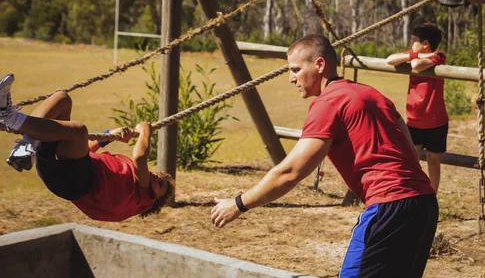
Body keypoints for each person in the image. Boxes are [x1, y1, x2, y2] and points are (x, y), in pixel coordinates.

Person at [211, 34, 438, 278]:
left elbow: (291, 172)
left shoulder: (329, 103)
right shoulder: (373, 95)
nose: (291, 78)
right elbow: (408, 145)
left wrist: (238, 204)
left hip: (388, 207)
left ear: (319, 65)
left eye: (296, 69)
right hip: (424, 205)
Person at [0, 73, 174, 222]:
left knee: (79, 131)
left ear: (153, 200)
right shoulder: (125, 178)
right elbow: (85, 151)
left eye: (160, 184)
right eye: (159, 175)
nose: (155, 177)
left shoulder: (143, 195)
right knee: (62, 99)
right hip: (62, 168)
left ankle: (10, 117)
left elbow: (140, 158)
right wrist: (110, 135)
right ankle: (26, 145)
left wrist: (145, 132)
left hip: (76, 183)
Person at [385, 23, 448, 193]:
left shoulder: (438, 56)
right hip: (414, 120)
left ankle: (431, 196)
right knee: (411, 159)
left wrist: (412, 56)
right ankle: (412, 193)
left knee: (434, 162)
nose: (412, 44)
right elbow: (389, 59)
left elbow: (416, 66)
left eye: (415, 41)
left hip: (436, 121)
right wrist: (413, 54)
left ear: (426, 43)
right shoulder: (414, 54)